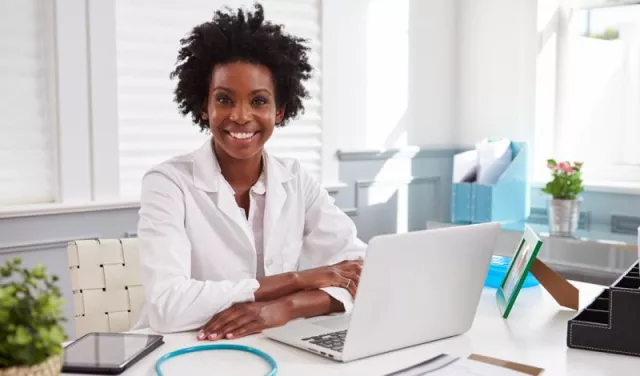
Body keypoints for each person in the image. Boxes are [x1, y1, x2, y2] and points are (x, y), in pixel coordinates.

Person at [133, 4, 367, 342]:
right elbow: (168, 307)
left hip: (274, 341)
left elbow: (360, 270)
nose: (241, 116)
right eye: (224, 99)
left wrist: (286, 308)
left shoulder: (296, 179)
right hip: (185, 347)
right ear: (204, 107)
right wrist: (298, 280)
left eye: (259, 101)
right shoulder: (167, 183)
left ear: (280, 111)